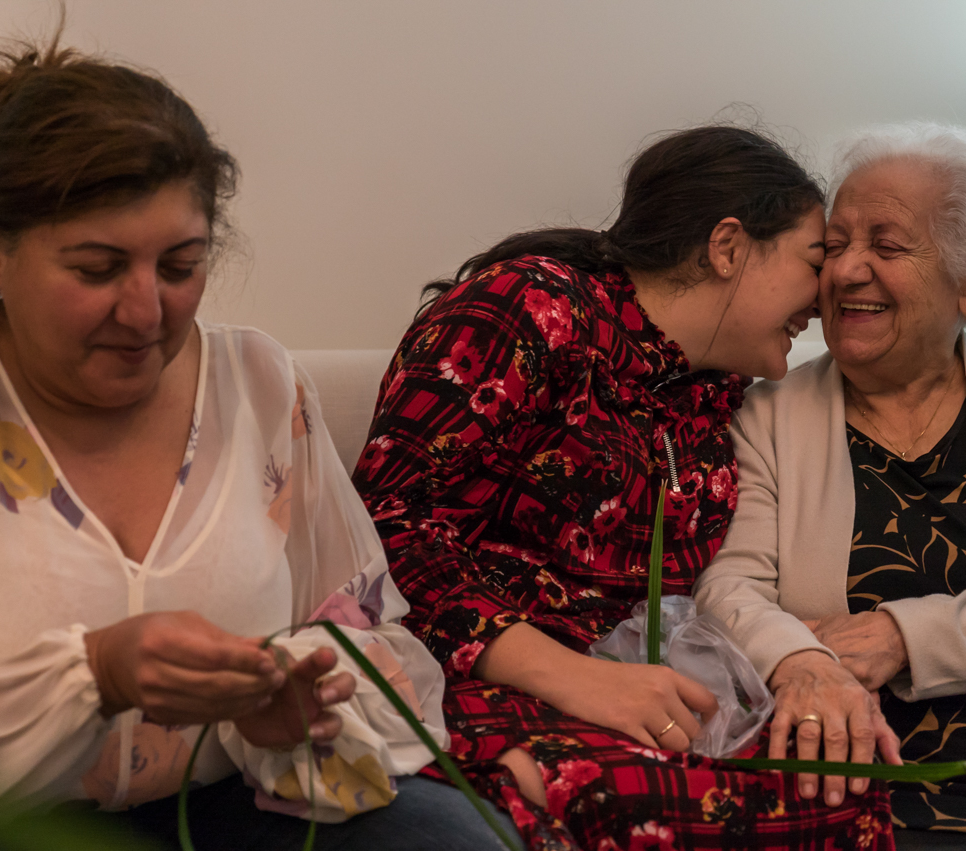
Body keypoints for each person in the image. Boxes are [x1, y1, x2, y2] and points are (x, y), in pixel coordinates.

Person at [0, 33, 519, 851]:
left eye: (180, 265)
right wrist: (93, 673)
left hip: (237, 801)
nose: (146, 312)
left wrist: (297, 697)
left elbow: (373, 633)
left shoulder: (258, 382)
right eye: (98, 268)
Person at [352, 125, 895, 850]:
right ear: (728, 247)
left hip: (635, 691)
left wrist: (806, 654)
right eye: (814, 261)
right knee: (642, 804)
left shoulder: (715, 397)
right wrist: (576, 679)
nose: (823, 297)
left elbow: (732, 580)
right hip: (475, 676)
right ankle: (499, 785)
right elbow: (385, 524)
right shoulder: (532, 308)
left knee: (842, 791)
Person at [696, 121, 966, 848]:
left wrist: (901, 636)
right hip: (872, 775)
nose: (846, 271)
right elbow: (729, 588)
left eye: (888, 246)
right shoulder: (767, 413)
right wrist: (800, 660)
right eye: (835, 245)